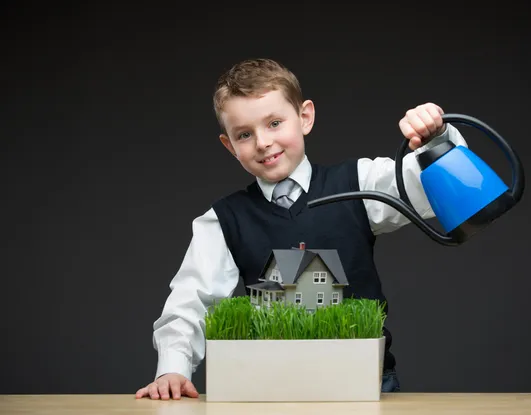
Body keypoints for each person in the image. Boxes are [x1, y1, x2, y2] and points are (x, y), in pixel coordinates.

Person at [135, 58, 468, 400]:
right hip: (267, 388)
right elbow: (191, 300)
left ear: (305, 117)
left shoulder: (360, 182)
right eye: (244, 134)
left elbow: (436, 187)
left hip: (367, 384)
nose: (263, 142)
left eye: (275, 123)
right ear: (229, 146)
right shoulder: (222, 219)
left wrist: (436, 137)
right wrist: (172, 368)